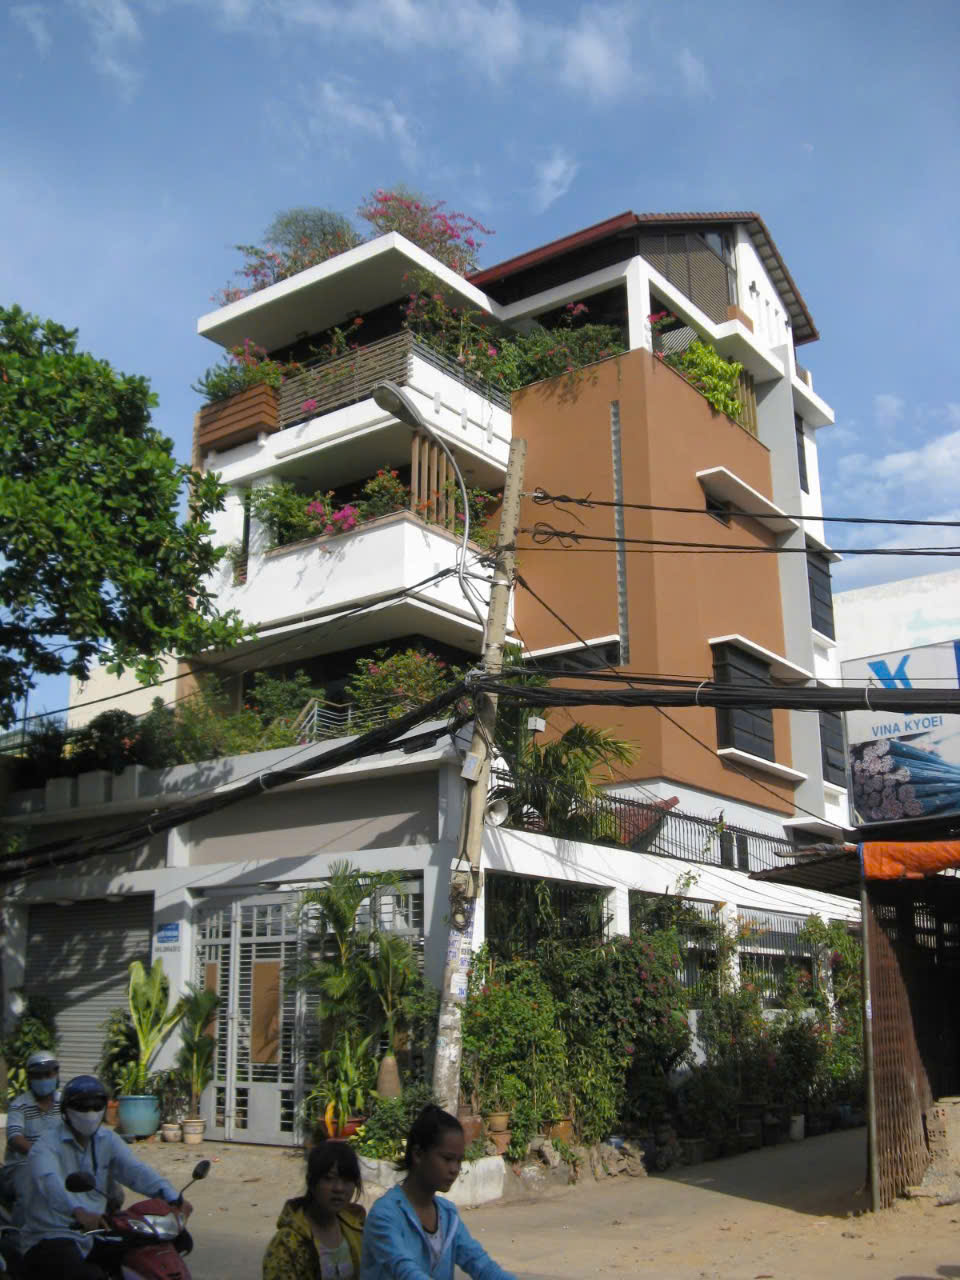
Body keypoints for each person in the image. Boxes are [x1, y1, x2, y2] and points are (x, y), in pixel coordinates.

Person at [19, 1074, 192, 1280]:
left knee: (154, 1253)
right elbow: (50, 1183)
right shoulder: (46, 1146)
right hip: (52, 1236)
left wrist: (173, 1198)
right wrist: (78, 1212)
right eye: (82, 1106)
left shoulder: (107, 1139)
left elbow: (136, 1171)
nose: (90, 1112)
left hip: (97, 1233)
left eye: (96, 1106)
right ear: (65, 1110)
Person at [360, 1105, 516, 1280]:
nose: (454, 1169)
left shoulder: (448, 1215)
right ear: (418, 1154)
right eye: (447, 1159)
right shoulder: (385, 1214)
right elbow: (404, 1271)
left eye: (459, 1161)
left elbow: (480, 1264)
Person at [262, 1138, 366, 1280]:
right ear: (311, 1182)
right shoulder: (286, 1244)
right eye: (329, 1178)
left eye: (347, 1180)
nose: (339, 1188)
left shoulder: (357, 1228)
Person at [0, 1050, 62, 1217]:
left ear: (56, 1074)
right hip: (23, 1164)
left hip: (61, 1162)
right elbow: (15, 1137)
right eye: (38, 1076)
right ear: (29, 1078)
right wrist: (40, 1153)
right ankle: (22, 1231)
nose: (43, 1079)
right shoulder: (19, 1105)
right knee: (29, 1194)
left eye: (47, 1074)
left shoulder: (65, 1103)